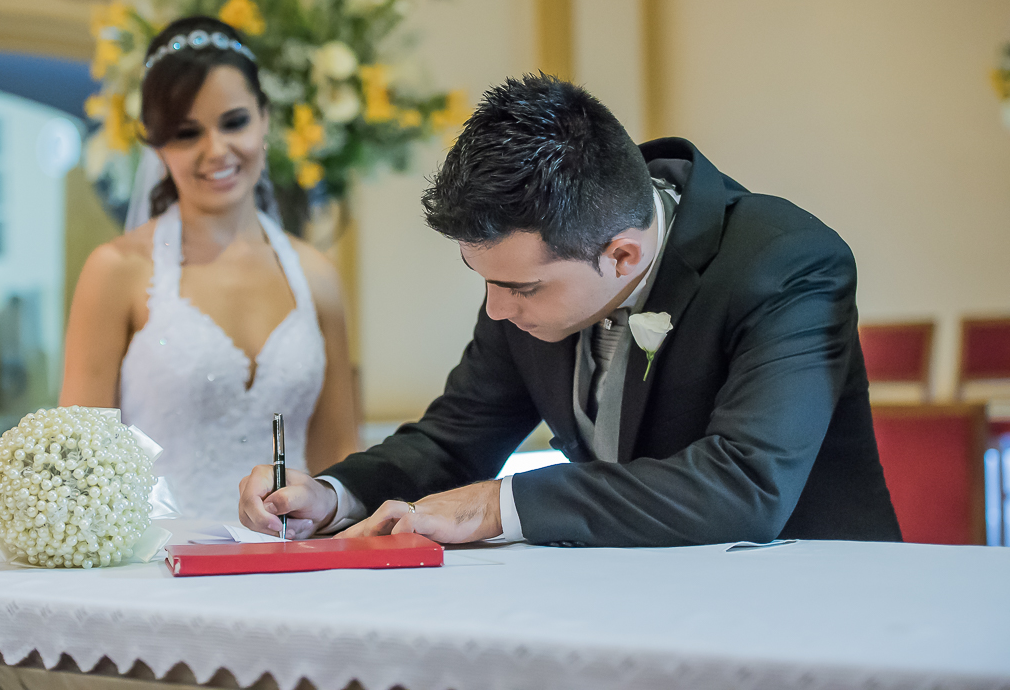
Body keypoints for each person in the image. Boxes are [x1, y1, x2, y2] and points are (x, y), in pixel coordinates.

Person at [238, 73, 902, 547]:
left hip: (813, 611)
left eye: (522, 289)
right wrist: (333, 495)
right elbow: (454, 439)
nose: (496, 310)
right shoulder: (523, 280)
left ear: (621, 255)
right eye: (483, 280)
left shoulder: (786, 262)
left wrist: (503, 505)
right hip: (627, 606)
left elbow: (744, 485)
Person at [61, 17, 357, 521]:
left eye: (234, 122)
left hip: (295, 567)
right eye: (186, 132)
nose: (216, 150)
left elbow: (341, 466)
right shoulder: (117, 272)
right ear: (155, 145)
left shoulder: (317, 276)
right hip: (156, 571)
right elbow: (80, 468)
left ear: (265, 118)